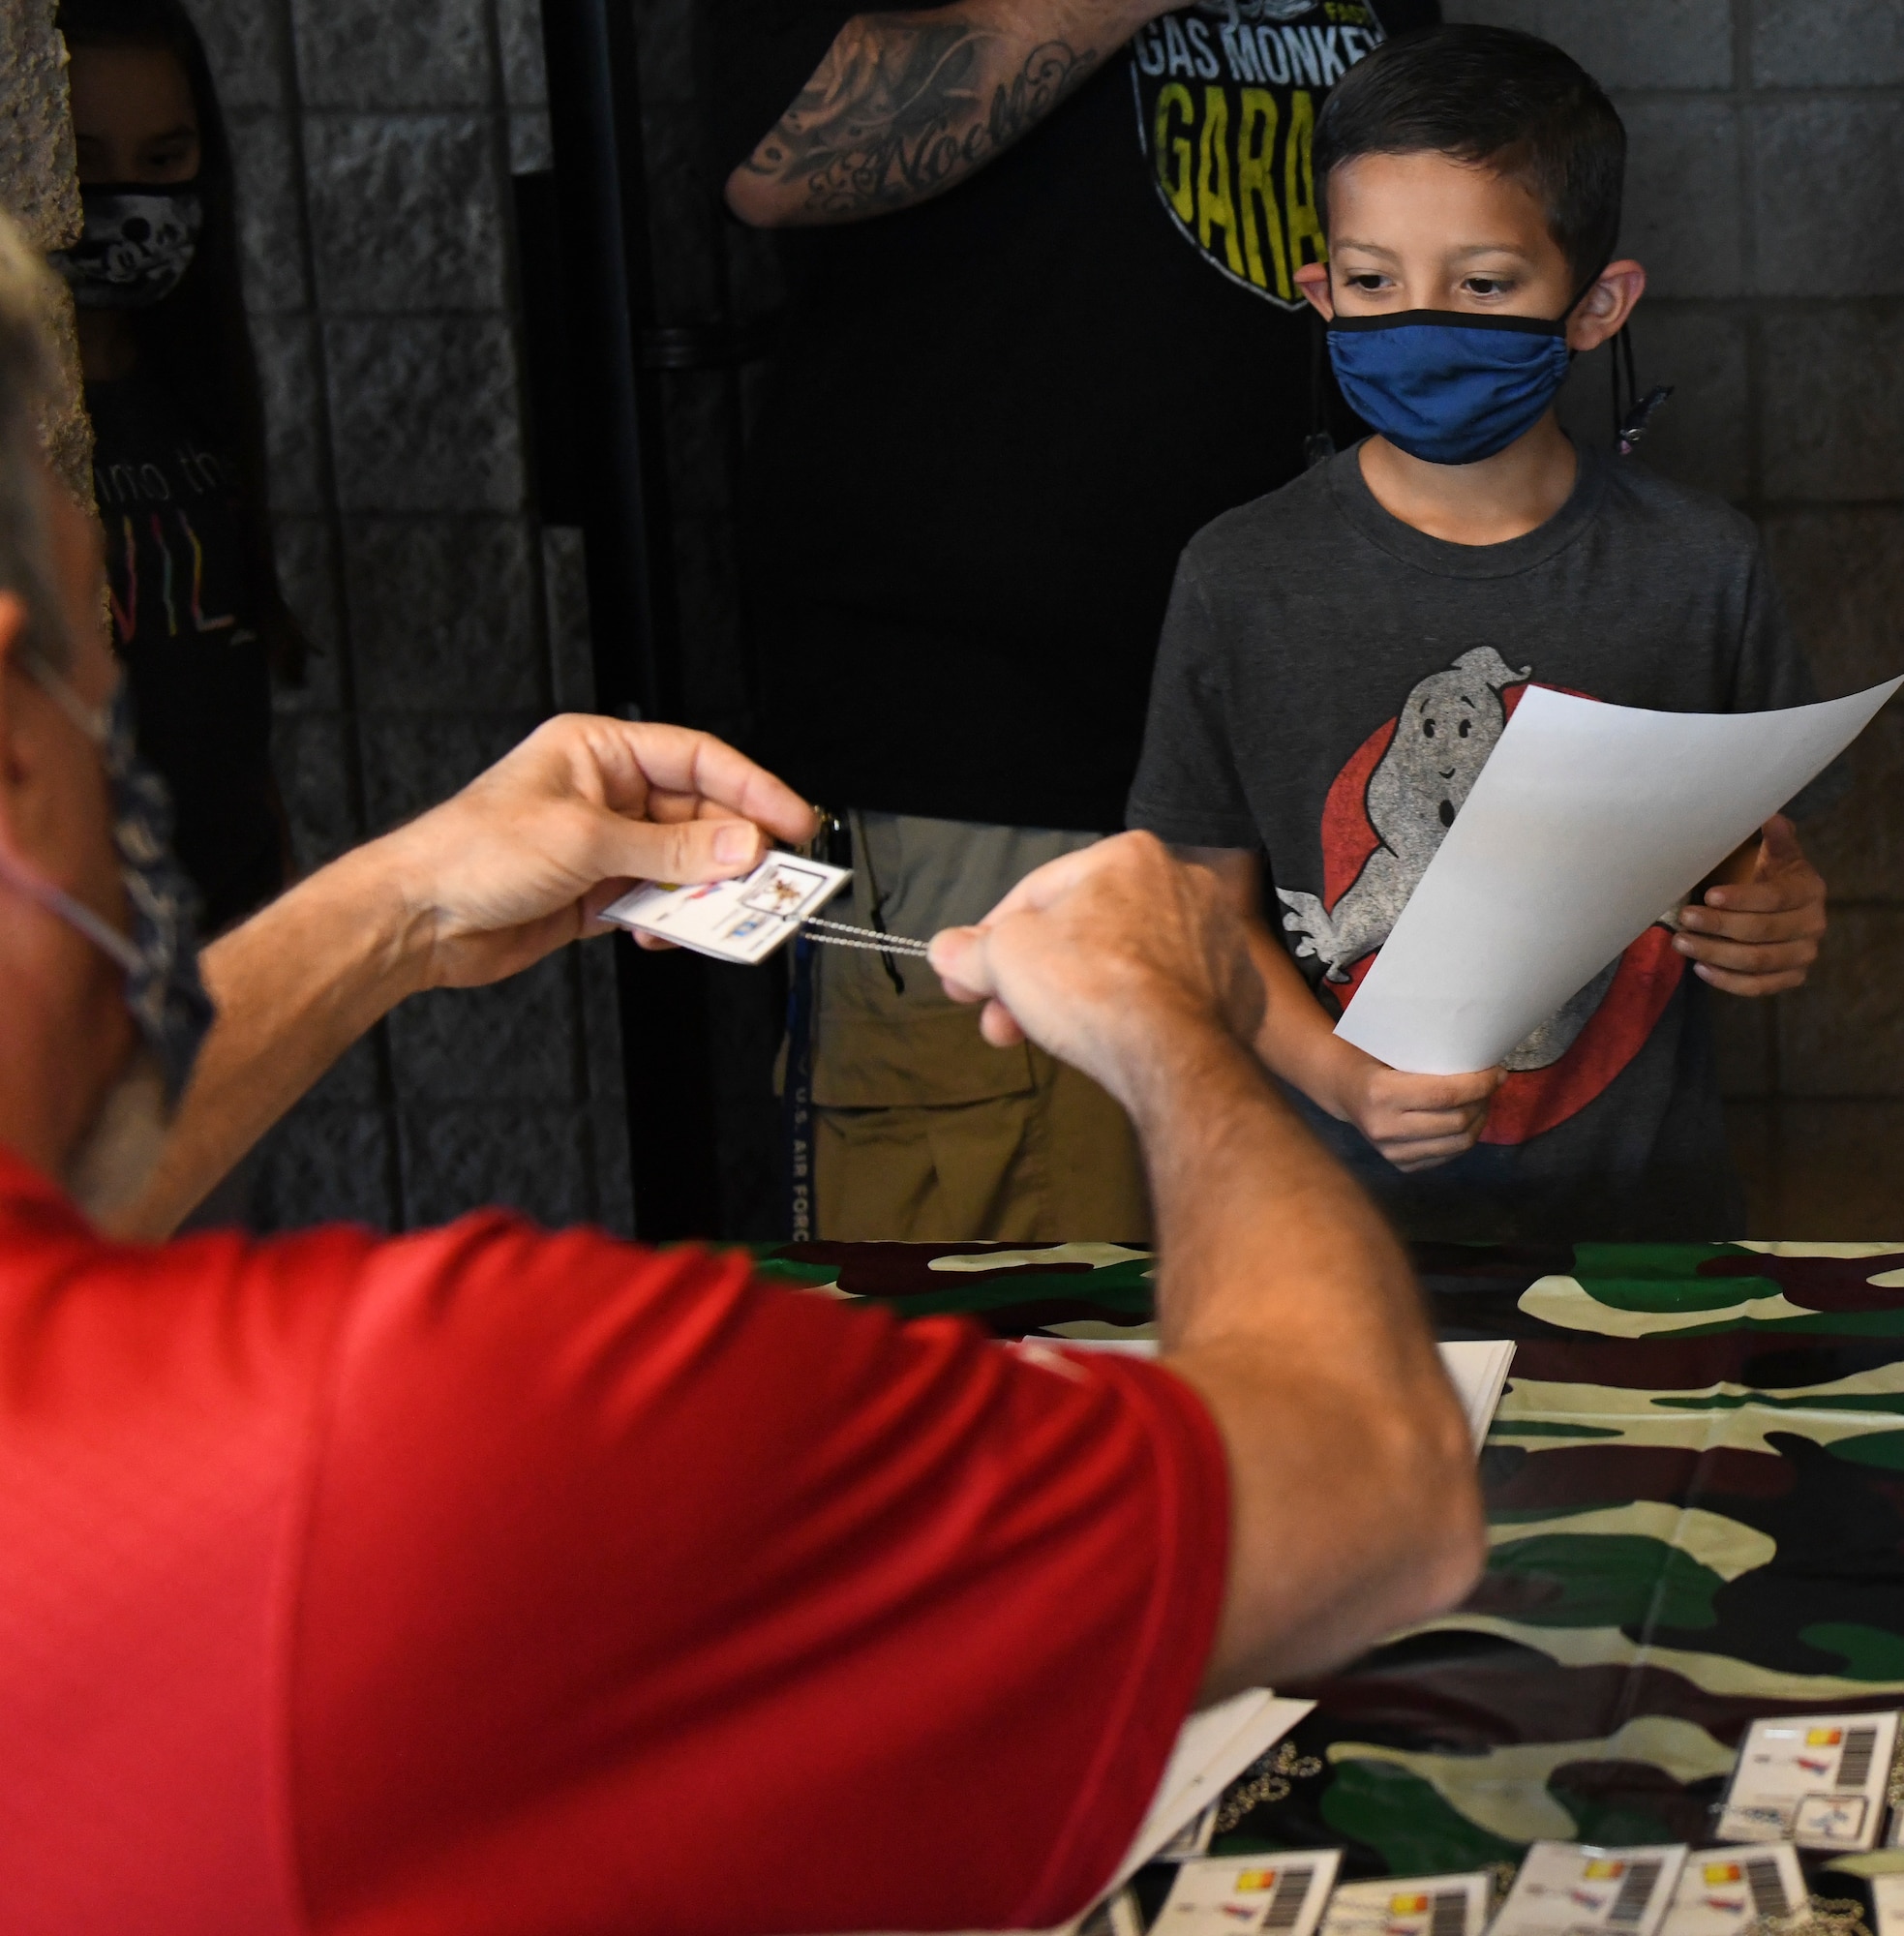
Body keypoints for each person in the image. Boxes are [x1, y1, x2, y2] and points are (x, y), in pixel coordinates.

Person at [0, 212, 1483, 1932]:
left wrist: (400, 905)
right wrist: (1171, 1019)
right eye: (107, 684)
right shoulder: (429, 1428)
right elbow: (1368, 1492)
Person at [716, 0, 1437, 1243]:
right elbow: (776, 153)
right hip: (995, 753)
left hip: (1339, 757)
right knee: (1011, 1370)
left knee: (1351, 1357)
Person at [1127, 24, 1834, 1244]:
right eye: (1372, 281)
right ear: (1321, 292)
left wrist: (1775, 910)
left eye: (1482, 284)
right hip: (1323, 1244)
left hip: (1645, 1238)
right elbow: (1197, 911)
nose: (1418, 323)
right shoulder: (1239, 574)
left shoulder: (1699, 564)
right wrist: (1346, 1081)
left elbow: (1761, 854)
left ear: (1595, 305)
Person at [51, 0, 303, 936]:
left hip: (225, 919)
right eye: (84, 165)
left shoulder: (191, 382)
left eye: (163, 161)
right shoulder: (23, 424)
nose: (128, 197)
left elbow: (220, 654)